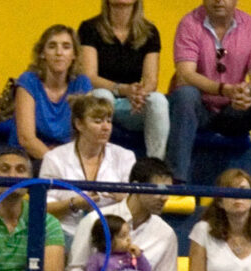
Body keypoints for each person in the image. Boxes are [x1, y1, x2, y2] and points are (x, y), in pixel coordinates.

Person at [166, 0, 251, 189]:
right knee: (185, 95)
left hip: (235, 110)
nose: (219, 0)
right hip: (200, 109)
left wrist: (244, 92)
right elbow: (185, 75)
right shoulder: (189, 24)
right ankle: (175, 183)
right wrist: (223, 89)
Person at [78, 0, 169, 159]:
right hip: (103, 98)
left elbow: (151, 81)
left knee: (158, 100)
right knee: (102, 95)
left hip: (131, 104)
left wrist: (138, 94)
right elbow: (89, 76)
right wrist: (123, 89)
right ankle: (97, 160)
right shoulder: (90, 28)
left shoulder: (150, 32)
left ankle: (155, 163)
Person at [39, 93, 136, 243]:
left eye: (109, 121)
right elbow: (43, 208)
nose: (106, 127)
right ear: (79, 124)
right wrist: (73, 204)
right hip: (66, 233)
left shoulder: (125, 156)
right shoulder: (54, 158)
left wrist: (123, 198)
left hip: (110, 236)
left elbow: (136, 205)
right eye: (98, 121)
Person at [9, 25, 92, 170]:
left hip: (67, 158)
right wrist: (57, 163)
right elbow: (26, 139)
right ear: (42, 53)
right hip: (27, 157)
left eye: (66, 47)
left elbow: (87, 133)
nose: (59, 53)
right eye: (52, 46)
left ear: (74, 55)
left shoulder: (82, 84)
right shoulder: (29, 81)